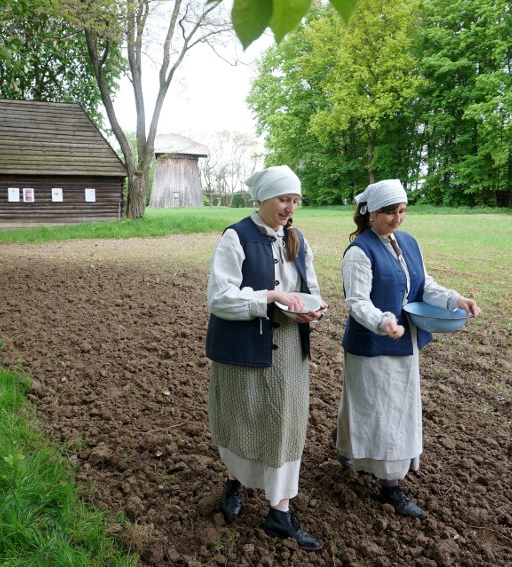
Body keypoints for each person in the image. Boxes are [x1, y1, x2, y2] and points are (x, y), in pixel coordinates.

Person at [334, 179, 481, 518]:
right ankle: (390, 488)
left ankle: (353, 449)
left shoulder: (408, 243)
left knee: (393, 411)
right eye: (389, 212)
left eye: (402, 211)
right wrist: (383, 321)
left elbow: (423, 284)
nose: (397, 219)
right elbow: (356, 302)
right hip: (372, 345)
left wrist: (455, 299)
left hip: (406, 343)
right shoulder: (359, 251)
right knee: (379, 411)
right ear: (370, 214)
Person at [206, 165, 327, 551]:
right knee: (242, 419)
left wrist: (314, 309)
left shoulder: (296, 239)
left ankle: (280, 512)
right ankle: (234, 481)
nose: (290, 207)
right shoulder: (235, 236)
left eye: (295, 200)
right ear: (263, 200)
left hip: (289, 347)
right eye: (283, 199)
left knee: (286, 425)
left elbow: (311, 289)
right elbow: (220, 298)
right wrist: (268, 298)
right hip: (242, 348)